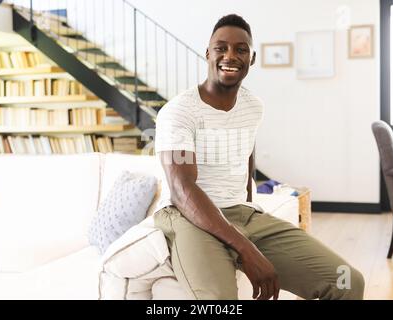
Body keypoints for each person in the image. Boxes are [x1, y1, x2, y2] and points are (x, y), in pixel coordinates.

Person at [153, 14, 364, 300]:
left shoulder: (253, 106)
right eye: (221, 47)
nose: (230, 55)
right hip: (189, 216)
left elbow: (246, 157)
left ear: (252, 58)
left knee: (347, 282)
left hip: (243, 214)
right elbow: (182, 189)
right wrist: (245, 247)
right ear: (207, 53)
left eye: (241, 49)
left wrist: (251, 209)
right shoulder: (179, 111)